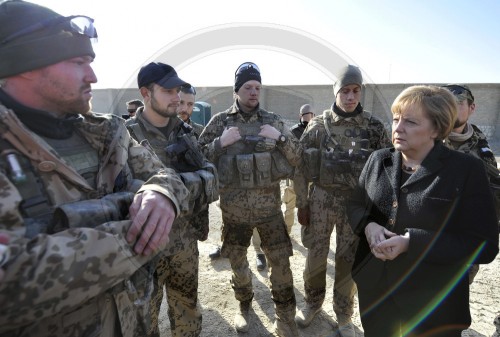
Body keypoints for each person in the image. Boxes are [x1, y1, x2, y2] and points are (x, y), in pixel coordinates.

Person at [0, 1, 189, 336]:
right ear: (26, 65)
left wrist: (161, 194)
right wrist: (139, 235)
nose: (93, 76)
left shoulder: (106, 132)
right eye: (78, 63)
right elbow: (10, 283)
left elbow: (164, 175)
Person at [347, 85, 499, 337]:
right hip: (377, 295)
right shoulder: (378, 160)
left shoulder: (465, 170)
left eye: (410, 122)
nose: (398, 128)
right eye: (396, 119)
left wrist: (411, 242)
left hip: (432, 306)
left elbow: (484, 245)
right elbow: (355, 204)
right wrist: (368, 225)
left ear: (437, 129)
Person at [198, 61, 302, 336]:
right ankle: (244, 305)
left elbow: (297, 157)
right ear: (237, 90)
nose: (254, 92)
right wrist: (220, 143)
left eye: (257, 86)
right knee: (238, 262)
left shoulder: (272, 120)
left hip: (270, 210)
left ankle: (285, 317)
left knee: (280, 262)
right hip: (234, 211)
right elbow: (197, 159)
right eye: (248, 87)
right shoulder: (220, 122)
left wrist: (279, 138)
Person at [293, 64, 391, 336]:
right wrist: (302, 203)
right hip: (321, 199)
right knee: (316, 254)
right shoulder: (317, 126)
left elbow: (386, 169)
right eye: (345, 91)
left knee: (348, 259)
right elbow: (300, 168)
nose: (350, 97)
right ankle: (312, 303)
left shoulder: (373, 127)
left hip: (355, 203)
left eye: (356, 91)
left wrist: (379, 211)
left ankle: (344, 315)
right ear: (336, 92)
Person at [126, 62, 218, 337]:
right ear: (146, 92)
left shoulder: (187, 133)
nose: (177, 97)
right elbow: (121, 195)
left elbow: (213, 180)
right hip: (144, 249)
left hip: (184, 242)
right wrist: (191, 184)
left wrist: (165, 190)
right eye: (168, 90)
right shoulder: (124, 135)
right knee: (143, 319)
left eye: (177, 90)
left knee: (187, 311)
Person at [442, 84, 500, 282]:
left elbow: (491, 186)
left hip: (466, 239)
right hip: (427, 236)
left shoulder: (480, 143)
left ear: (472, 108)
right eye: (446, 104)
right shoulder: (425, 138)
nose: (451, 109)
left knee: (456, 296)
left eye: (458, 104)